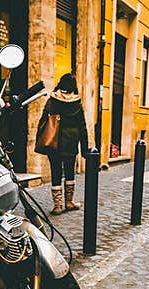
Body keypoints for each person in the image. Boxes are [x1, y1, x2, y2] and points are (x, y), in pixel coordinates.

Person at [36, 72, 90, 215]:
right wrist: (85, 149)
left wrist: (40, 137)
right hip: (71, 142)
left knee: (56, 171)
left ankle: (58, 206)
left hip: (54, 140)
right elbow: (82, 126)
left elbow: (44, 120)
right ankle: (69, 202)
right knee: (69, 171)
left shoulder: (53, 100)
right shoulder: (76, 102)